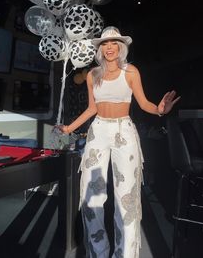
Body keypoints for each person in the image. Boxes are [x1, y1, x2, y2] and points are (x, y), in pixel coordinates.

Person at [59, 26, 180, 258]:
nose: (109, 47)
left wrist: (161, 110)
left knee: (127, 196)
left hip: (124, 131)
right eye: (105, 44)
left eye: (114, 43)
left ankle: (124, 254)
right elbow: (92, 109)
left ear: (121, 47)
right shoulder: (93, 75)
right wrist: (69, 128)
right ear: (100, 49)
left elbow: (144, 104)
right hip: (98, 131)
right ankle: (98, 252)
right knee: (91, 195)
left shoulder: (131, 72)